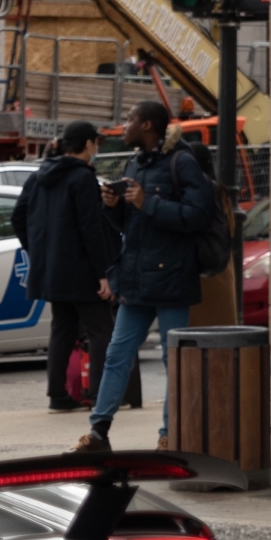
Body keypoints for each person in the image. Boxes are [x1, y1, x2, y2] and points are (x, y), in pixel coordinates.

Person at [78, 101, 218, 452]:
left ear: (149, 126)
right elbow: (131, 224)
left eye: (130, 120)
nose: (123, 126)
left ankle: (169, 435)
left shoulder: (181, 162)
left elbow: (199, 215)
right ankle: (98, 431)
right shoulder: (133, 164)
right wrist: (113, 208)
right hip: (137, 279)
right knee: (116, 354)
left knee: (173, 361)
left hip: (172, 279)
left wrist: (146, 203)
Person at [11, 119, 124, 414]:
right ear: (88, 144)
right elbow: (91, 228)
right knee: (101, 329)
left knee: (62, 328)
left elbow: (17, 217)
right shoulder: (82, 178)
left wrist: (37, 250)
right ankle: (100, 394)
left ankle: (57, 395)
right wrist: (103, 273)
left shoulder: (38, 176)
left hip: (51, 269)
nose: (96, 148)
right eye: (96, 143)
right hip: (82, 269)